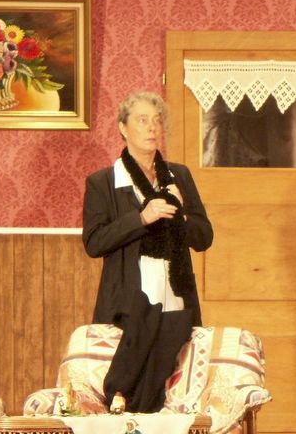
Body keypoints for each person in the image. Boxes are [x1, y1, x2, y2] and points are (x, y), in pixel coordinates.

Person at [83, 91, 214, 414]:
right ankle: (122, 419)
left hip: (176, 293)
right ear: (123, 128)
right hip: (129, 299)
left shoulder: (179, 176)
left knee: (169, 377)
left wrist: (181, 215)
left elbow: (203, 237)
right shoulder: (103, 182)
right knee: (129, 382)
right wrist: (141, 218)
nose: (152, 127)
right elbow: (95, 242)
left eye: (157, 120)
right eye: (142, 120)